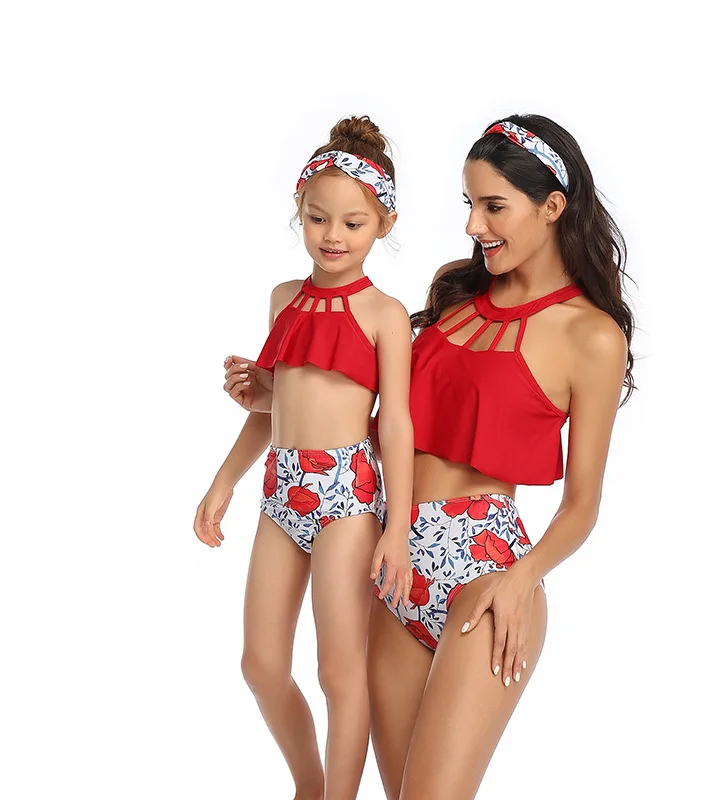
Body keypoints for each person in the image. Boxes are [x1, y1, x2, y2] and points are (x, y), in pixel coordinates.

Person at [366, 115, 634, 798]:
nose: (473, 225)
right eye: (469, 204)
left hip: (485, 575)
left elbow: (582, 505)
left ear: (552, 207)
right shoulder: (455, 294)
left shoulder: (591, 336)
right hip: (393, 561)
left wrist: (522, 579)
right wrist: (278, 400)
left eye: (493, 206)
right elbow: (387, 424)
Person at [194, 116, 414, 800]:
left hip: (348, 497)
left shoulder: (385, 314)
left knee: (339, 672)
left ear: (384, 223)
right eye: (318, 218)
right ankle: (310, 786)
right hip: (281, 491)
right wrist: (223, 481)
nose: (333, 235)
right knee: (260, 665)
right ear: (300, 211)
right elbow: (275, 407)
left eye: (353, 222)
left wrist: (399, 528)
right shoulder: (283, 300)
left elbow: (396, 423)